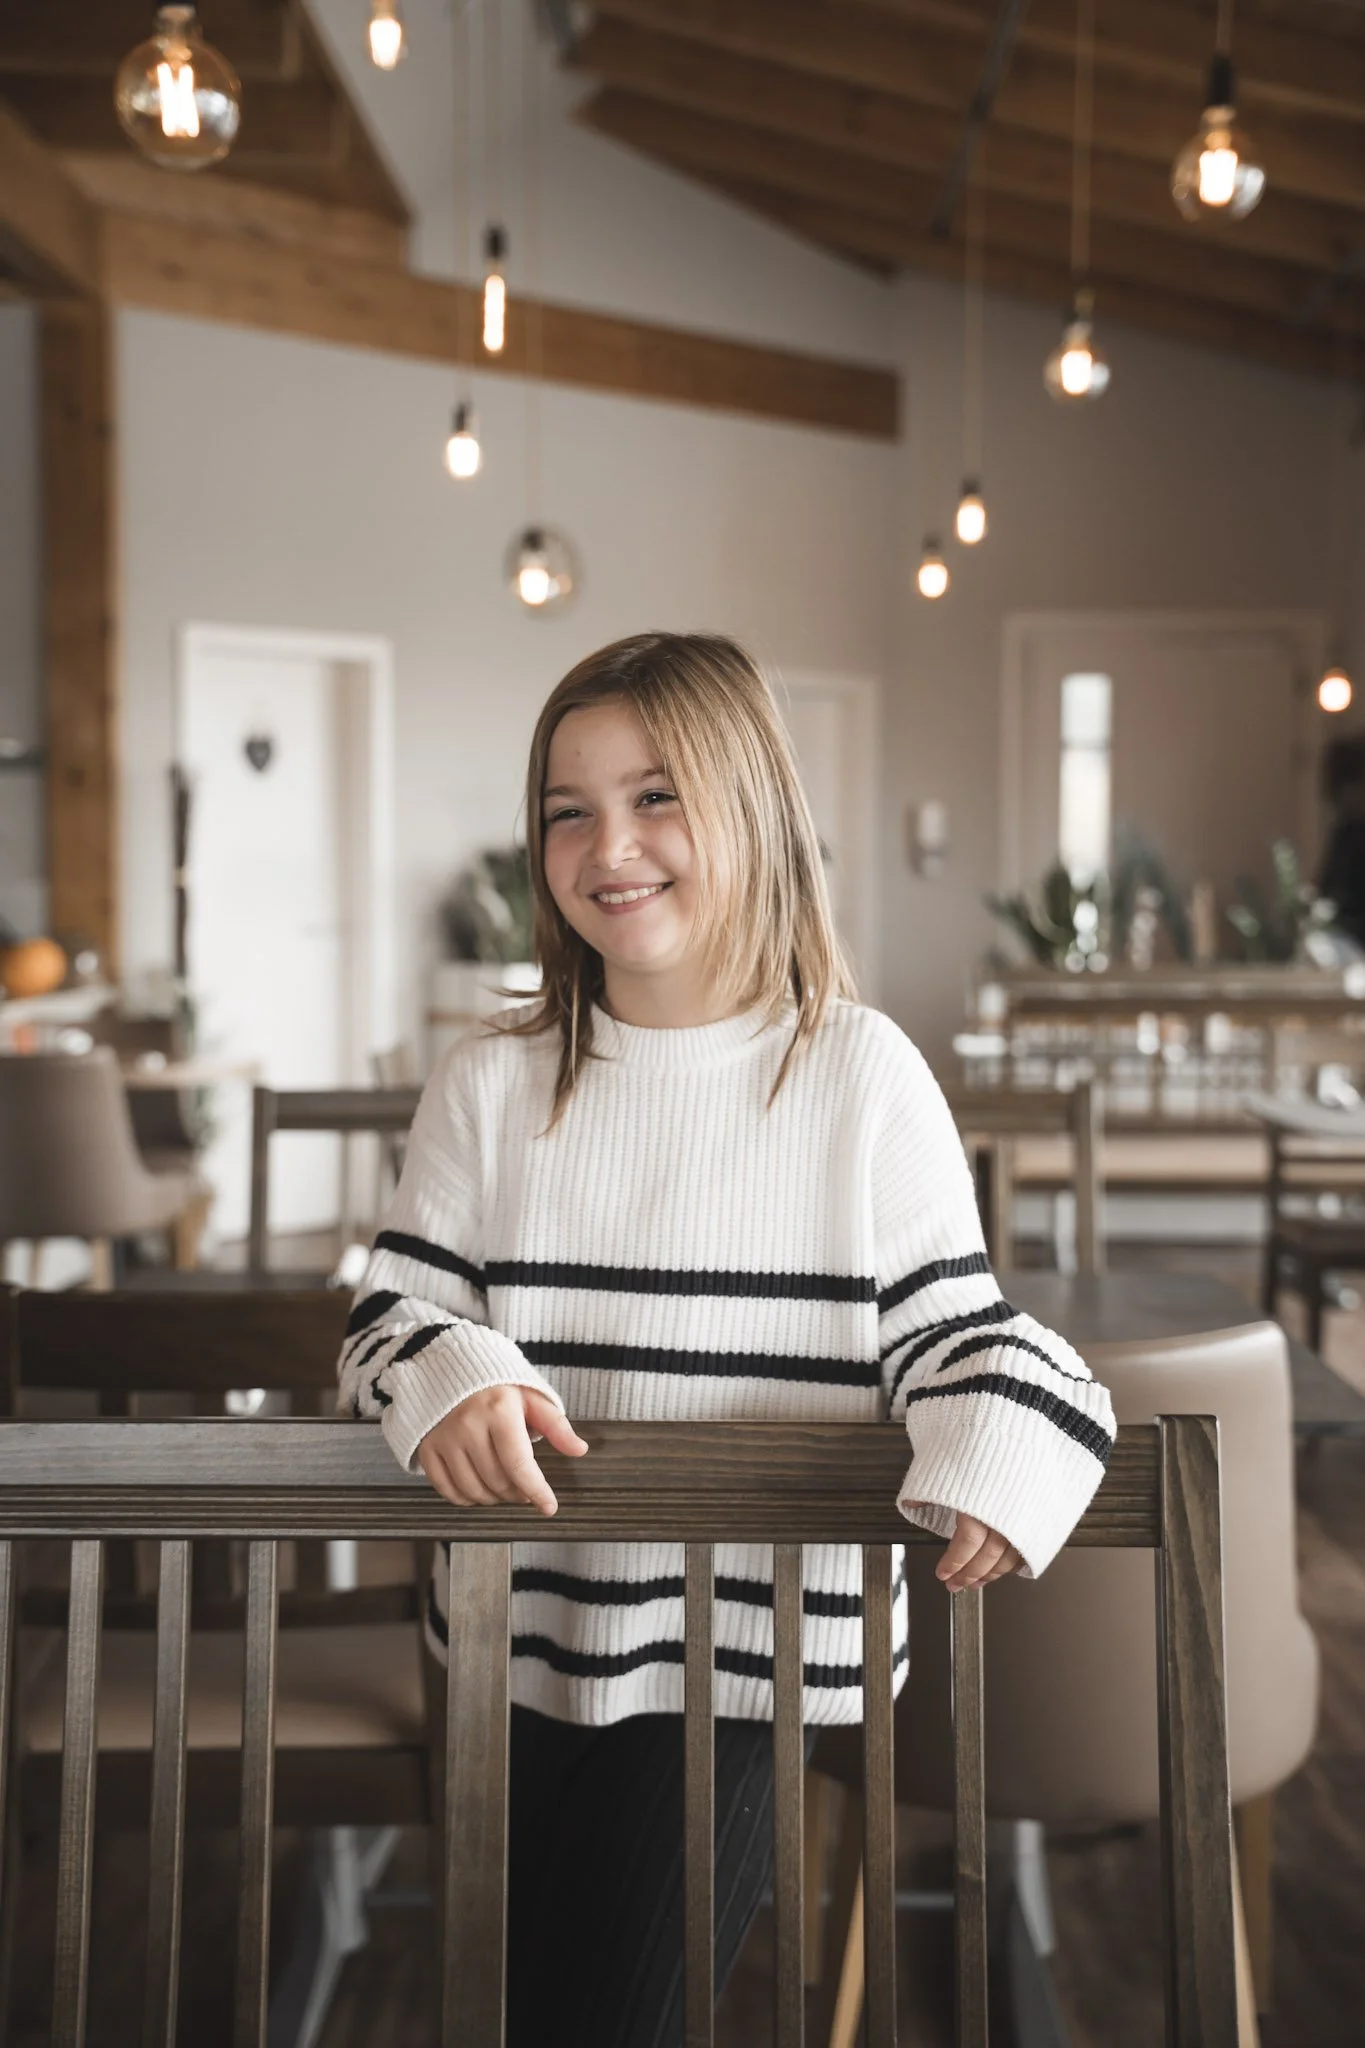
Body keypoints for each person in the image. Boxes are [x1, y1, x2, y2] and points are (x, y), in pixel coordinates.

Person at [337, 631, 1115, 2047]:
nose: (606, 844)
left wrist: (1000, 1428)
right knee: (528, 2002)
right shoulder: (490, 1083)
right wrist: (449, 1375)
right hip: (516, 1632)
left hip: (749, 1658)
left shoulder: (862, 1072)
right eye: (567, 809)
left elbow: (960, 1334)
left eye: (655, 796)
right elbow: (392, 1313)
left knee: (601, 2018)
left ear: (752, 804)